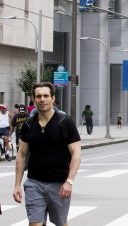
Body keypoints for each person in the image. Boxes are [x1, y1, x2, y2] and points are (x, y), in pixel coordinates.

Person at [13, 82, 81, 226]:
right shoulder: (28, 124)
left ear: (52, 98)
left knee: (61, 223)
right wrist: (17, 185)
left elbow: (76, 153)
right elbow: (21, 154)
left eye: (45, 96)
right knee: (35, 223)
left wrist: (69, 181)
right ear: (34, 99)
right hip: (34, 183)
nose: (42, 99)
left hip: (59, 184)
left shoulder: (65, 122)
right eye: (38, 96)